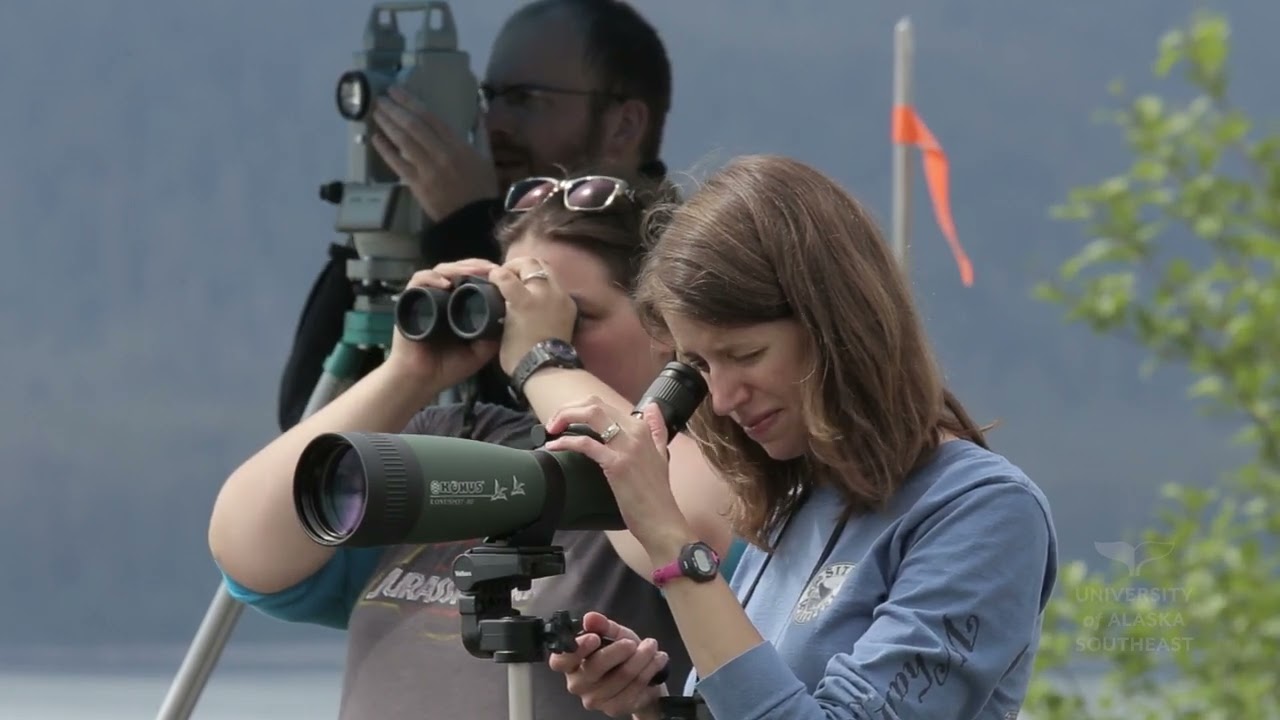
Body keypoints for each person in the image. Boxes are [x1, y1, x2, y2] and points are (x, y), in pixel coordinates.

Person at [541, 155, 1060, 720]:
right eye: (701, 366)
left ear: (836, 330)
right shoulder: (798, 501)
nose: (722, 399)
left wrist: (669, 540)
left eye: (746, 355)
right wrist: (654, 707)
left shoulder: (983, 511)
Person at [209, 171, 737, 718]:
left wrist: (543, 361)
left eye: (575, 315)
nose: (532, 334)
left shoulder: (706, 470)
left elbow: (702, 539)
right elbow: (249, 549)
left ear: (665, 330)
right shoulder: (457, 439)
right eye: (514, 309)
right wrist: (408, 373)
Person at [279, 0, 673, 430]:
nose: (493, 123)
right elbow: (306, 422)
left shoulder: (670, 254)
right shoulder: (452, 235)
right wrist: (386, 225)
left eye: (526, 99)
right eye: (489, 98)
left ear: (625, 125)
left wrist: (469, 223)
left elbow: (537, 430)